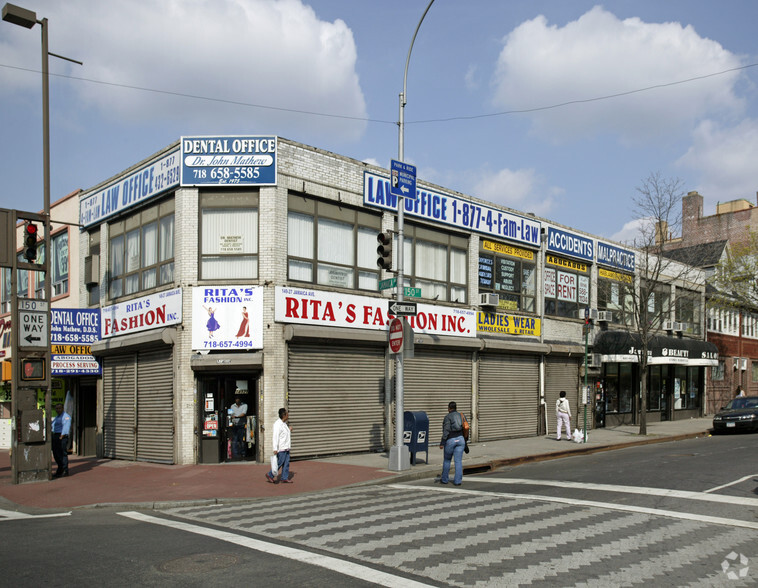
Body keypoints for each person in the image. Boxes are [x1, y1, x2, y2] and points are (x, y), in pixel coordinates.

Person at [437, 401, 466, 486]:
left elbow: (446, 431)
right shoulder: (461, 415)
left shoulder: (447, 417)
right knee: (458, 461)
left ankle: (445, 479)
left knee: (447, 460)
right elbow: (466, 428)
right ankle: (458, 481)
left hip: (451, 440)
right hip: (461, 440)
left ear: (449, 408)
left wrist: (442, 442)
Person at [267, 407, 292, 484]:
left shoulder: (284, 424)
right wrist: (275, 448)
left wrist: (289, 430)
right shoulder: (277, 424)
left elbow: (285, 435)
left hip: (286, 447)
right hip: (281, 448)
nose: (288, 415)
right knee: (279, 463)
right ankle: (270, 474)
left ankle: (284, 477)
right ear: (284, 415)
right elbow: (275, 437)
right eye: (287, 413)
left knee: (286, 463)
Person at [51, 402, 72, 478]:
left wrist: (61, 436)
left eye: (59, 408)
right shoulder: (57, 417)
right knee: (56, 454)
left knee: (62, 454)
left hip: (61, 436)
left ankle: (65, 470)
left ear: (63, 408)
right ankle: (60, 469)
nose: (58, 410)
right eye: (56, 408)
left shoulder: (66, 417)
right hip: (55, 435)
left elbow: (66, 427)